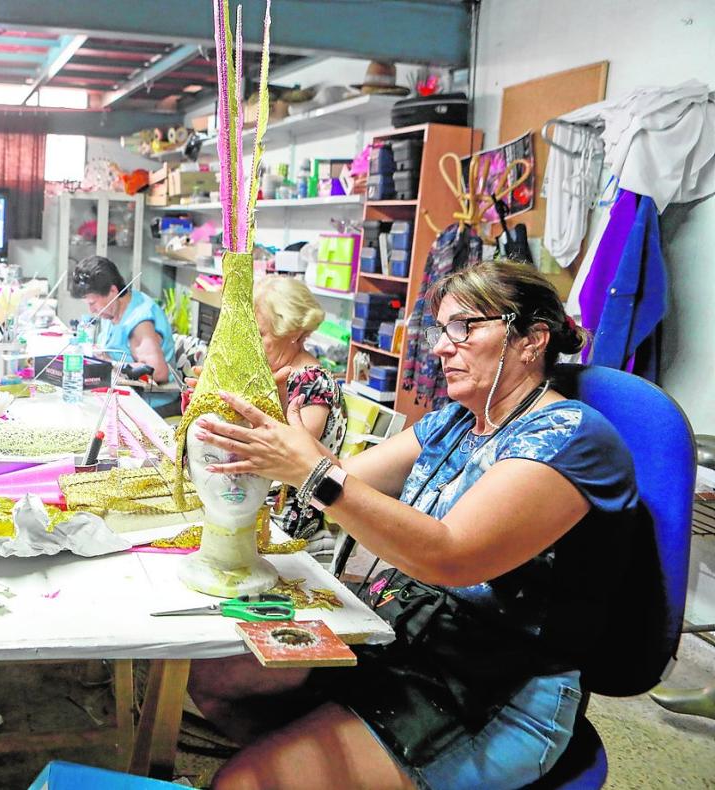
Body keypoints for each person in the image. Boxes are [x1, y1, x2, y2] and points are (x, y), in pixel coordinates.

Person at [187, 260, 643, 789]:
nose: (442, 347)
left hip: (495, 685)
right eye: (441, 330)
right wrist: (262, 408)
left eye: (463, 327)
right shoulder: (455, 420)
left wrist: (309, 470)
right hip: (406, 634)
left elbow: (450, 556)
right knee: (215, 678)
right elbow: (344, 478)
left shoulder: (571, 438)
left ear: (531, 339)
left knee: (243, 784)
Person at [253, 275, 347, 555]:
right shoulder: (271, 373)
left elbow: (294, 453)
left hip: (287, 514)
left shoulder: (314, 385)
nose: (254, 344)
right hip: (262, 496)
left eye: (261, 335)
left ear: (292, 333)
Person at [68, 255, 174, 383]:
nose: (91, 310)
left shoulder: (139, 322)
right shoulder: (113, 309)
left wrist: (110, 365)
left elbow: (158, 372)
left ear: (113, 291)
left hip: (145, 399)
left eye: (92, 303)